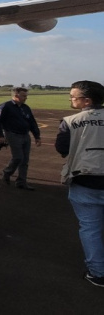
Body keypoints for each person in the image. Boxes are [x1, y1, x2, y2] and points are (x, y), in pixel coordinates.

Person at [55, 80, 104, 288]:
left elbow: (62, 149)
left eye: (73, 97)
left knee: (90, 228)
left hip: (85, 181)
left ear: (87, 101)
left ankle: (98, 273)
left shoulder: (69, 121)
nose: (71, 100)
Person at [0, 86, 41, 190]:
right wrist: (0, 136)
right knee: (18, 157)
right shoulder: (5, 106)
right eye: (24, 96)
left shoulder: (26, 107)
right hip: (12, 134)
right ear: (16, 95)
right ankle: (7, 172)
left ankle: (21, 182)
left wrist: (37, 136)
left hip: (25, 135)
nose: (26, 98)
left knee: (25, 160)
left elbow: (32, 122)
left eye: (26, 96)